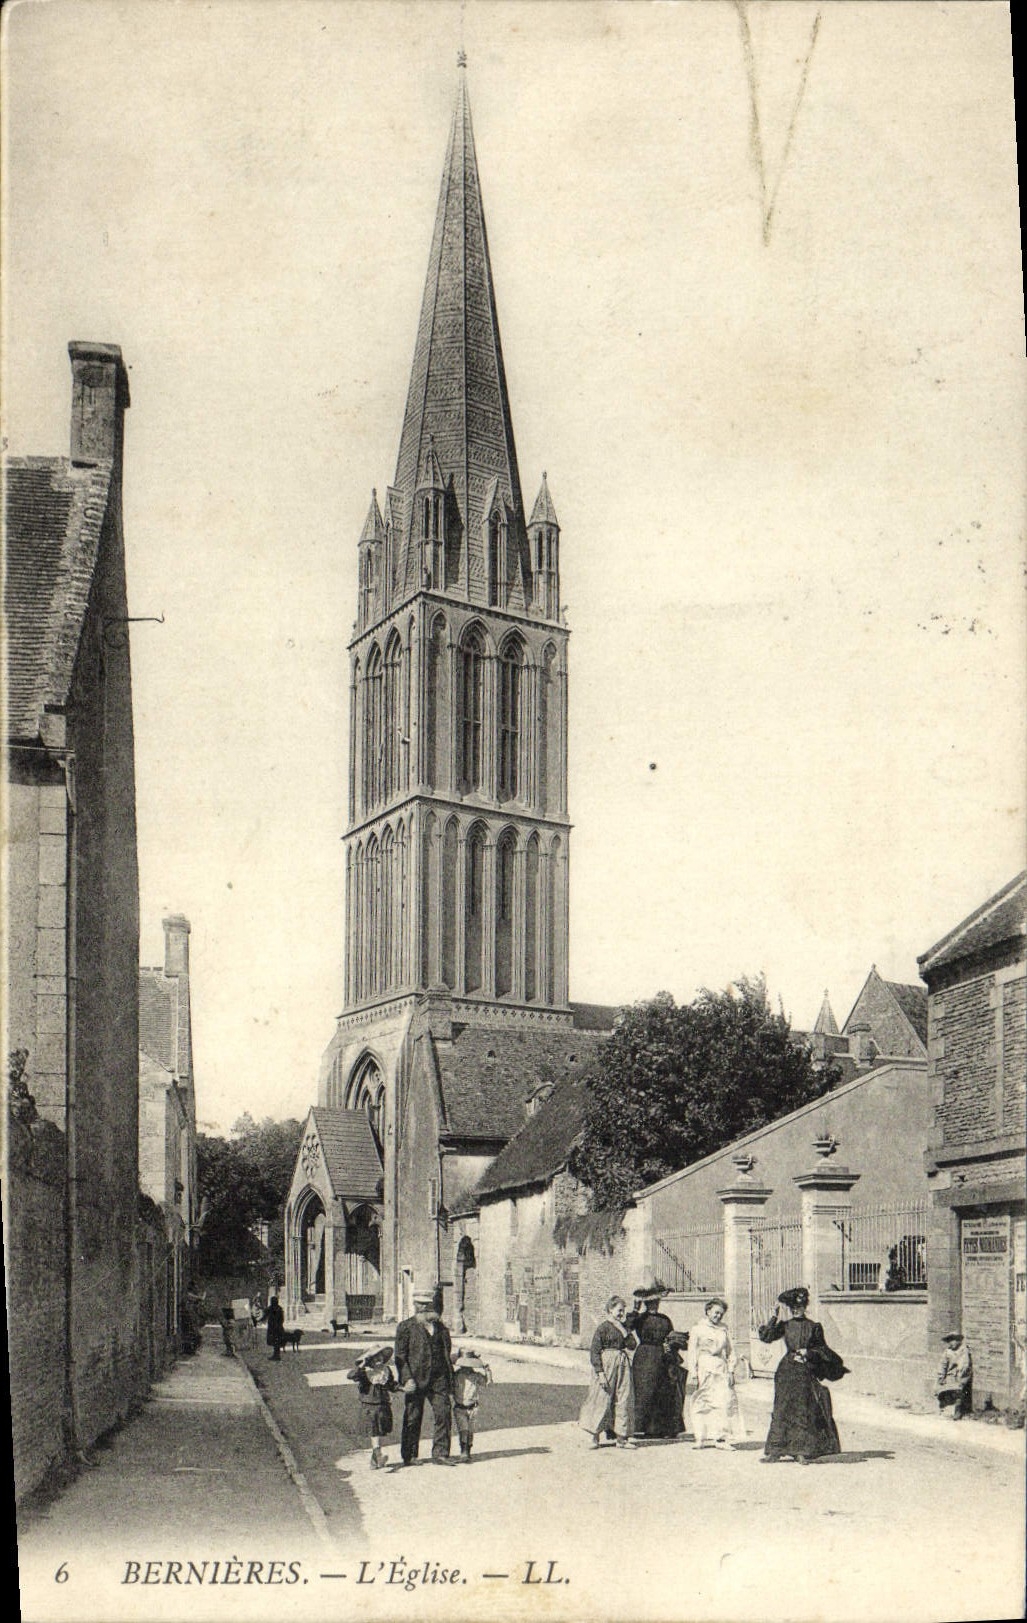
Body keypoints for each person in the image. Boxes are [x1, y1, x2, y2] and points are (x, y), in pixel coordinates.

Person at [757, 1287, 847, 1463]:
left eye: (799, 1306)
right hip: (786, 1371)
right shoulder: (785, 1325)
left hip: (804, 1370)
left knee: (802, 1409)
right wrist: (774, 1317)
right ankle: (775, 1450)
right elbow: (766, 1337)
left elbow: (823, 1350)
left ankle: (801, 1451)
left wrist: (809, 1352)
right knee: (781, 1408)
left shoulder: (814, 1327)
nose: (796, 1309)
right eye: (793, 1307)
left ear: (805, 1307)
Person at [394, 1288, 454, 1465]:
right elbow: (400, 1356)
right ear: (415, 1306)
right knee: (413, 1416)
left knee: (443, 1413)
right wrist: (407, 1378)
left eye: (428, 1305)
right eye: (422, 1305)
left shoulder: (441, 1328)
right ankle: (410, 1455)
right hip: (416, 1378)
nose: (426, 1309)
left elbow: (446, 1350)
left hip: (439, 1378)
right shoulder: (405, 1327)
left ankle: (441, 1453)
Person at [578, 1295, 637, 1449]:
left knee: (624, 1398)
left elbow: (632, 1345)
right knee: (602, 1399)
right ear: (610, 1310)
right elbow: (595, 1351)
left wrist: (624, 1331)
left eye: (623, 1311)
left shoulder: (624, 1327)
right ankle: (594, 1437)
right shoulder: (603, 1328)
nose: (621, 1314)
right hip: (607, 1363)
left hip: (623, 1364)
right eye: (619, 1310)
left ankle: (621, 1438)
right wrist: (600, 1373)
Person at [625, 1282, 683, 1438]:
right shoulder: (640, 1318)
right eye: (651, 1303)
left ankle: (660, 1429)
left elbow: (670, 1335)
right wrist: (635, 1309)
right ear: (646, 1303)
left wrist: (671, 1345)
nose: (654, 1305)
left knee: (662, 1391)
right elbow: (627, 1327)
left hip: (663, 1356)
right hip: (644, 1356)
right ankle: (639, 1428)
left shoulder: (665, 1319)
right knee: (645, 1391)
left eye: (656, 1302)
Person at [687, 1297, 746, 1450]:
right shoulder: (698, 1329)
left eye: (721, 1314)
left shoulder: (724, 1329)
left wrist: (732, 1370)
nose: (718, 1316)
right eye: (715, 1313)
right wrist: (693, 1373)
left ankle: (721, 1438)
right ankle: (700, 1437)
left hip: (721, 1368)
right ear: (708, 1311)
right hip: (705, 1367)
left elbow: (731, 1351)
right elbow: (692, 1352)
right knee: (703, 1402)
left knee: (724, 1402)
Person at [347, 1345, 397, 1469]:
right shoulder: (365, 1372)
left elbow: (391, 1385)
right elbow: (351, 1375)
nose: (379, 1359)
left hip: (383, 1404)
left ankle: (374, 1462)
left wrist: (402, 1388)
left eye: (380, 1356)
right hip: (369, 1405)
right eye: (375, 1357)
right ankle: (378, 1456)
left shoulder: (386, 1370)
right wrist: (362, 1365)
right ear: (370, 1360)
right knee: (374, 1431)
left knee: (379, 1431)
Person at [451, 1348, 492, 1463]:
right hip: (460, 1407)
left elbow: (487, 1383)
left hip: (473, 1407)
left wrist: (487, 1371)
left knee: (470, 1431)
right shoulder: (456, 1376)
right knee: (463, 1429)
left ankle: (467, 1451)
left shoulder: (476, 1376)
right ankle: (463, 1452)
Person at [935, 1331, 972, 1419]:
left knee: (958, 1390)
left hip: (961, 1374)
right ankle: (945, 1409)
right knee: (942, 1389)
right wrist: (941, 1376)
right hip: (950, 1375)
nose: (951, 1343)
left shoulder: (964, 1350)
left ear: (958, 1341)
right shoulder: (947, 1351)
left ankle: (957, 1411)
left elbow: (964, 1363)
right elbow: (943, 1364)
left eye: (953, 1340)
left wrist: (960, 1373)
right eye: (949, 1341)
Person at [266, 1294, 286, 1362]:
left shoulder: (270, 1308)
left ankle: (276, 1356)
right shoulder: (279, 1308)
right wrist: (279, 1325)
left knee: (275, 1342)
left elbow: (264, 1315)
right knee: (277, 1342)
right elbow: (282, 1319)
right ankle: (276, 1355)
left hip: (272, 1329)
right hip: (279, 1328)